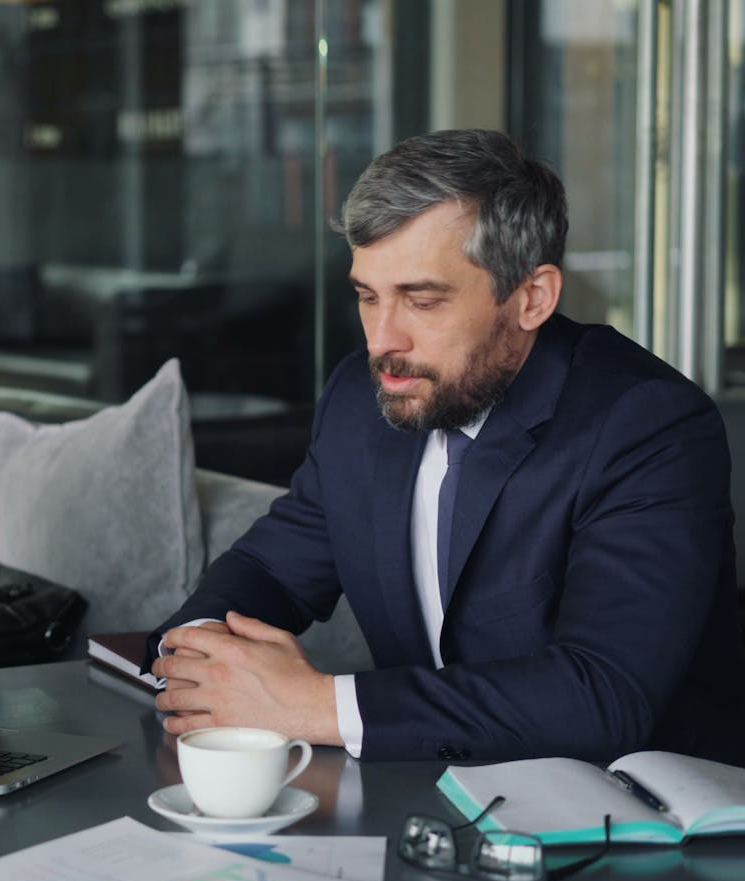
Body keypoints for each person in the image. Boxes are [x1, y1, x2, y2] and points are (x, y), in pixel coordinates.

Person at [149, 129, 745, 764]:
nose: (383, 340)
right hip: (426, 797)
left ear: (531, 298)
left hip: (642, 823)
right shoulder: (363, 396)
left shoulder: (646, 424)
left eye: (422, 301)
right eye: (367, 296)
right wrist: (200, 655)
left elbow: (602, 695)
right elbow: (272, 570)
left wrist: (315, 705)